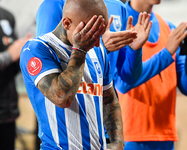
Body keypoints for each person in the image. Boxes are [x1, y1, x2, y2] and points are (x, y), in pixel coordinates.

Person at [20, 0, 125, 149]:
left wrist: (117, 143)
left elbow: (109, 100)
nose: (96, 44)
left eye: (99, 35)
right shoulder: (36, 49)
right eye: (91, 33)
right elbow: (62, 97)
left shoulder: (98, 51)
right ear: (67, 23)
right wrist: (80, 51)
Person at [115, 0, 187, 150]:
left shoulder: (169, 28)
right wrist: (166, 53)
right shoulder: (118, 25)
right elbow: (122, 84)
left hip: (165, 136)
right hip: (129, 137)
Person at [0, 6, 30, 150]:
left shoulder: (7, 16)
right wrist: (9, 56)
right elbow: (11, 54)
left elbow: (15, 59)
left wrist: (25, 54)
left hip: (7, 111)